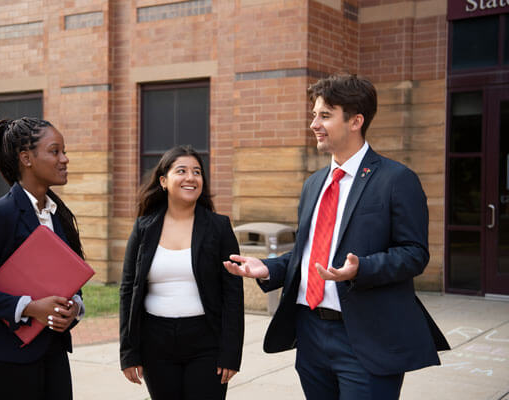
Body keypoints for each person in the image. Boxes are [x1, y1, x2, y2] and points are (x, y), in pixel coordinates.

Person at [223, 74, 450, 399]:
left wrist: (362, 268)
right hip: (311, 335)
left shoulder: (397, 180)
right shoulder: (313, 183)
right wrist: (270, 268)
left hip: (367, 340)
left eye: (325, 115)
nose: (314, 124)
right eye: (314, 115)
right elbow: (311, 254)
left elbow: (415, 253)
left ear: (356, 120)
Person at [0, 117, 86, 400]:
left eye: (63, 151)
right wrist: (29, 307)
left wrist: (74, 307)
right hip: (9, 356)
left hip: (53, 348)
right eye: (55, 151)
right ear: (26, 158)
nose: (65, 159)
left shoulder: (57, 214)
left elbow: (71, 278)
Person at [120, 145, 244, 400]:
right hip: (155, 343)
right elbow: (127, 289)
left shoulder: (219, 227)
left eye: (197, 172)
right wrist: (128, 352)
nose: (191, 177)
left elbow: (233, 293)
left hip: (206, 342)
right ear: (163, 181)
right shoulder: (144, 227)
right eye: (182, 171)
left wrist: (231, 352)